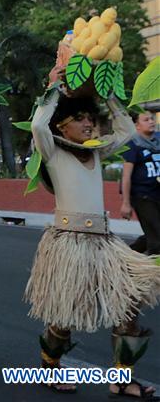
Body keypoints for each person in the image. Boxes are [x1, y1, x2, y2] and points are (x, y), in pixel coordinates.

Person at [26, 66, 160, 397]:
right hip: (68, 245)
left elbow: (127, 131)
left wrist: (110, 94)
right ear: (63, 125)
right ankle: (49, 368)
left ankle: (122, 378)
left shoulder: (97, 151)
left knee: (129, 305)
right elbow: (37, 124)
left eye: (92, 118)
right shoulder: (52, 150)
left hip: (104, 245)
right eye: (81, 119)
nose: (89, 123)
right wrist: (54, 87)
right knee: (64, 316)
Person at [121, 112, 160, 254]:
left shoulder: (158, 141)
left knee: (153, 233)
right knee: (157, 240)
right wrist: (126, 203)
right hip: (143, 196)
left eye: (152, 119)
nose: (151, 121)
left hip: (158, 193)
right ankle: (153, 272)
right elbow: (126, 176)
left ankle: (126, 257)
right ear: (136, 126)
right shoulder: (132, 145)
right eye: (146, 120)